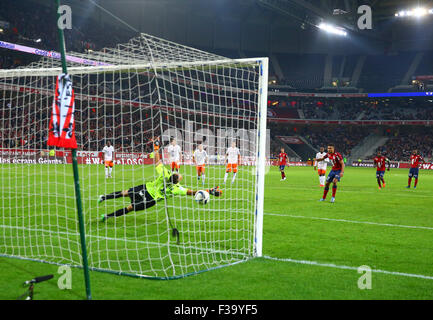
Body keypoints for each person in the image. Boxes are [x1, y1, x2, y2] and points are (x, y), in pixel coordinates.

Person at [98, 147, 222, 222]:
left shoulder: (165, 173)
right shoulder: (176, 189)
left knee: (124, 193)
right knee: (129, 207)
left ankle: (104, 198)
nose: (180, 175)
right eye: (179, 176)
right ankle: (107, 215)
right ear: (177, 180)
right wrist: (209, 190)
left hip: (146, 188)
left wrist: (156, 148)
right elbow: (193, 192)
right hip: (151, 199)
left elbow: (157, 160)